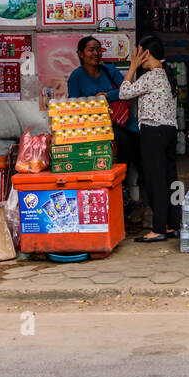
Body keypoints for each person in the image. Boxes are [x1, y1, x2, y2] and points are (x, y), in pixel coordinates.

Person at [65, 36, 142, 211]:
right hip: (96, 126)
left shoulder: (109, 70)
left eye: (98, 49)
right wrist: (95, 102)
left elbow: (126, 90)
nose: (96, 53)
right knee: (122, 142)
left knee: (137, 147)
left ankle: (135, 199)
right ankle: (119, 192)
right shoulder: (76, 76)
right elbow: (75, 105)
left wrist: (107, 96)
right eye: (91, 50)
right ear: (80, 54)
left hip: (123, 122)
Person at [117, 34, 180, 243]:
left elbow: (124, 92)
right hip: (170, 131)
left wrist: (132, 67)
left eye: (138, 52)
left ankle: (159, 228)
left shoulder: (151, 76)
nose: (135, 56)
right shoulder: (167, 75)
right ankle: (173, 225)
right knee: (169, 178)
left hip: (153, 132)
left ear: (146, 54)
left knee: (155, 181)